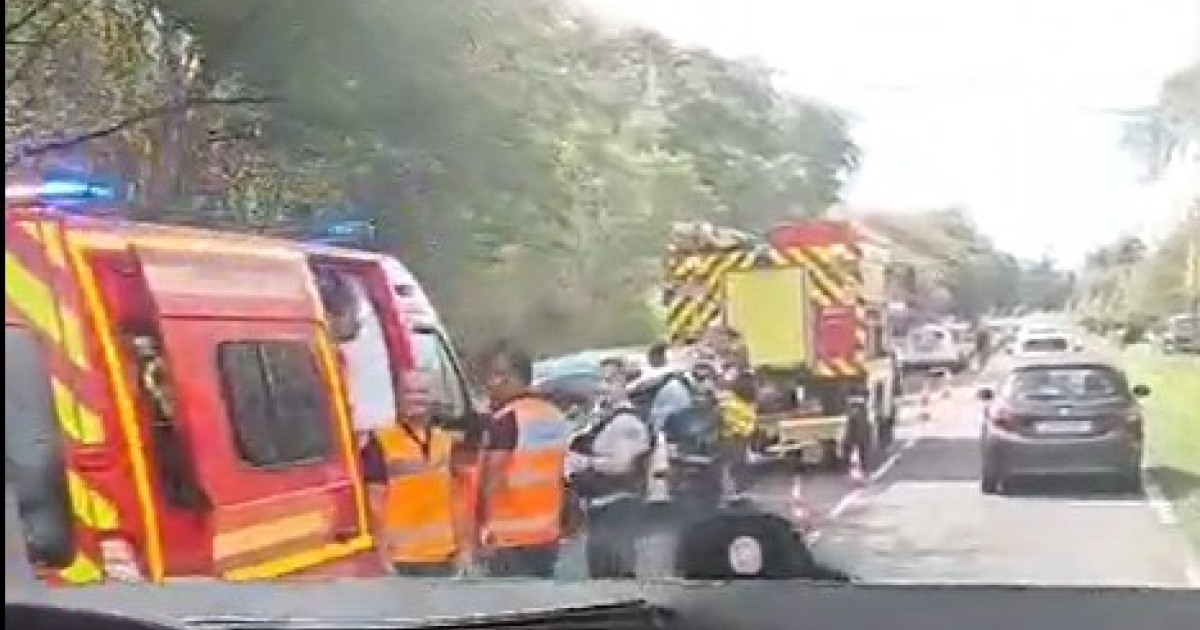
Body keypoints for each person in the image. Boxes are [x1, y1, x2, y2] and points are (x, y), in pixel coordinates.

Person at [474, 341, 572, 578]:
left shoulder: (508, 419)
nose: (490, 383)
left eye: (498, 375)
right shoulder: (554, 416)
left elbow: (493, 480)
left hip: (508, 538)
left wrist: (482, 529)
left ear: (517, 378)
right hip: (546, 534)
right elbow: (565, 475)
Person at [362, 373, 465, 576]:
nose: (416, 398)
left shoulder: (445, 441)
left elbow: (457, 498)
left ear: (432, 399)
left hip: (444, 556)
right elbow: (374, 502)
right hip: (402, 559)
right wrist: (383, 555)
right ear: (397, 397)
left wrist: (463, 548)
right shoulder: (380, 441)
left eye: (422, 392)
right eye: (408, 392)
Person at [568, 357, 654, 578]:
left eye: (610, 381)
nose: (603, 387)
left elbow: (622, 464)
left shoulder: (627, 422)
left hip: (618, 508)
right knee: (600, 572)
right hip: (600, 508)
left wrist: (584, 462)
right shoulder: (601, 418)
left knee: (615, 572)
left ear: (623, 383)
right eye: (601, 381)